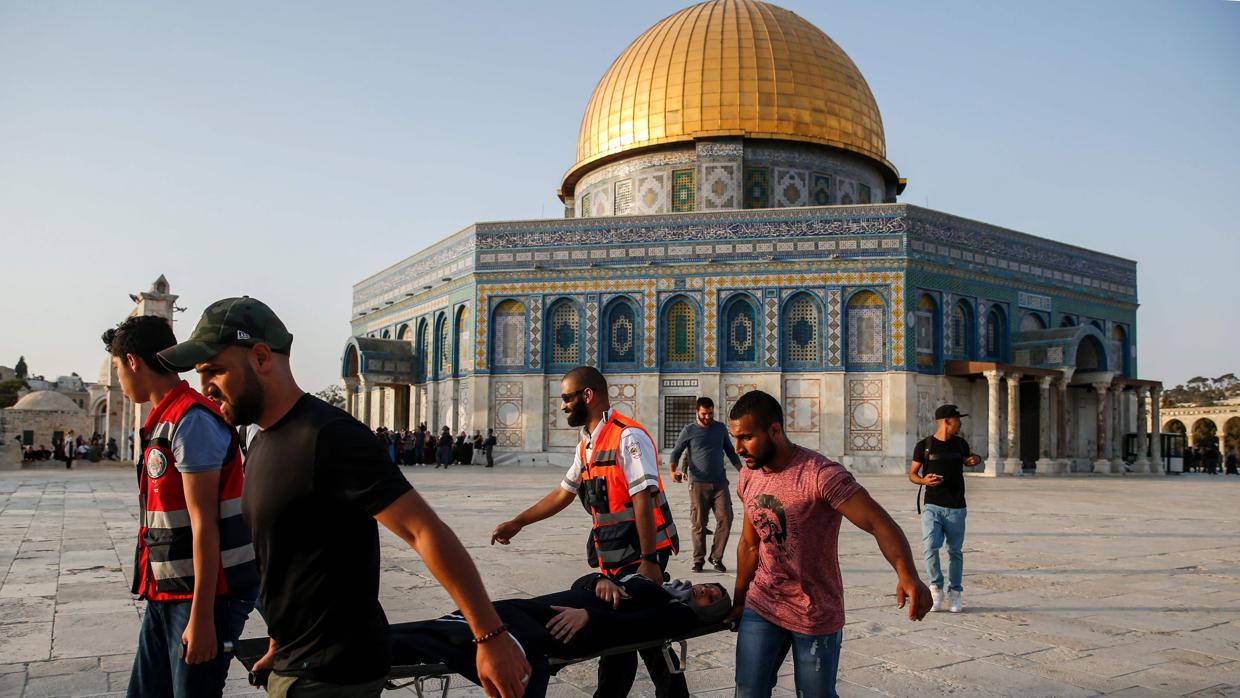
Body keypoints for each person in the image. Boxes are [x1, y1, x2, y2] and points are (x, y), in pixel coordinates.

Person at [157, 297, 529, 698]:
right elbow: (291, 559)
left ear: (261, 357)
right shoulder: (262, 439)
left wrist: (489, 635)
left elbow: (423, 530)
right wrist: (279, 643)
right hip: (296, 665)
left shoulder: (328, 435)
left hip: (334, 674)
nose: (204, 386)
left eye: (214, 370)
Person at [724, 390, 932, 698]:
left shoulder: (819, 475)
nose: (738, 448)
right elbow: (750, 543)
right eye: (734, 438)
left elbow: (878, 522)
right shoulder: (749, 476)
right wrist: (740, 600)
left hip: (814, 611)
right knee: (748, 693)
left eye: (746, 437)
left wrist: (908, 575)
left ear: (774, 430)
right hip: (763, 603)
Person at [491, 365, 681, 698]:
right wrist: (519, 521)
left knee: (643, 638)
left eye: (567, 398)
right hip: (614, 554)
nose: (562, 405)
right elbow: (564, 493)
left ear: (587, 395)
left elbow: (642, 498)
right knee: (621, 640)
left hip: (639, 555)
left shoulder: (627, 436)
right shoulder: (587, 444)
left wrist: (650, 561)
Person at [100, 315, 259, 698]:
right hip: (169, 591)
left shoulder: (191, 420)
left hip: (205, 597)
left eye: (118, 368)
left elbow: (205, 524)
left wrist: (202, 617)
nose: (120, 382)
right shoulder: (166, 418)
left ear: (134, 362)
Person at [390, 573, 730, 698]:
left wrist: (589, 616)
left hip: (553, 627)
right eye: (711, 586)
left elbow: (639, 628)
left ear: (708, 611)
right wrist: (599, 579)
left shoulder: (678, 613)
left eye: (712, 597)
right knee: (461, 627)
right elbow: (580, 583)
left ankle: (376, 648)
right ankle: (375, 645)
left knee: (489, 640)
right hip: (543, 609)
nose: (705, 589)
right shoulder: (663, 589)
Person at [908, 404, 981, 613]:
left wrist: (974, 460)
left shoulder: (960, 444)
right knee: (930, 546)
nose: (960, 423)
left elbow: (969, 460)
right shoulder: (924, 445)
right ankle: (935, 588)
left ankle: (955, 592)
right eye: (958, 419)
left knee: (955, 551)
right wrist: (924, 480)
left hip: (956, 506)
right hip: (932, 505)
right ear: (947, 421)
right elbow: (912, 474)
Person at [667, 396, 741, 573]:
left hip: (720, 484)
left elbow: (730, 452)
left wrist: (743, 472)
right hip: (698, 484)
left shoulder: (720, 428)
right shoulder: (689, 430)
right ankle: (698, 560)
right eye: (704, 414)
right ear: (697, 412)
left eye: (710, 414)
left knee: (726, 519)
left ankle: (716, 557)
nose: (707, 417)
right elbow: (676, 452)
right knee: (699, 524)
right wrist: (672, 471)